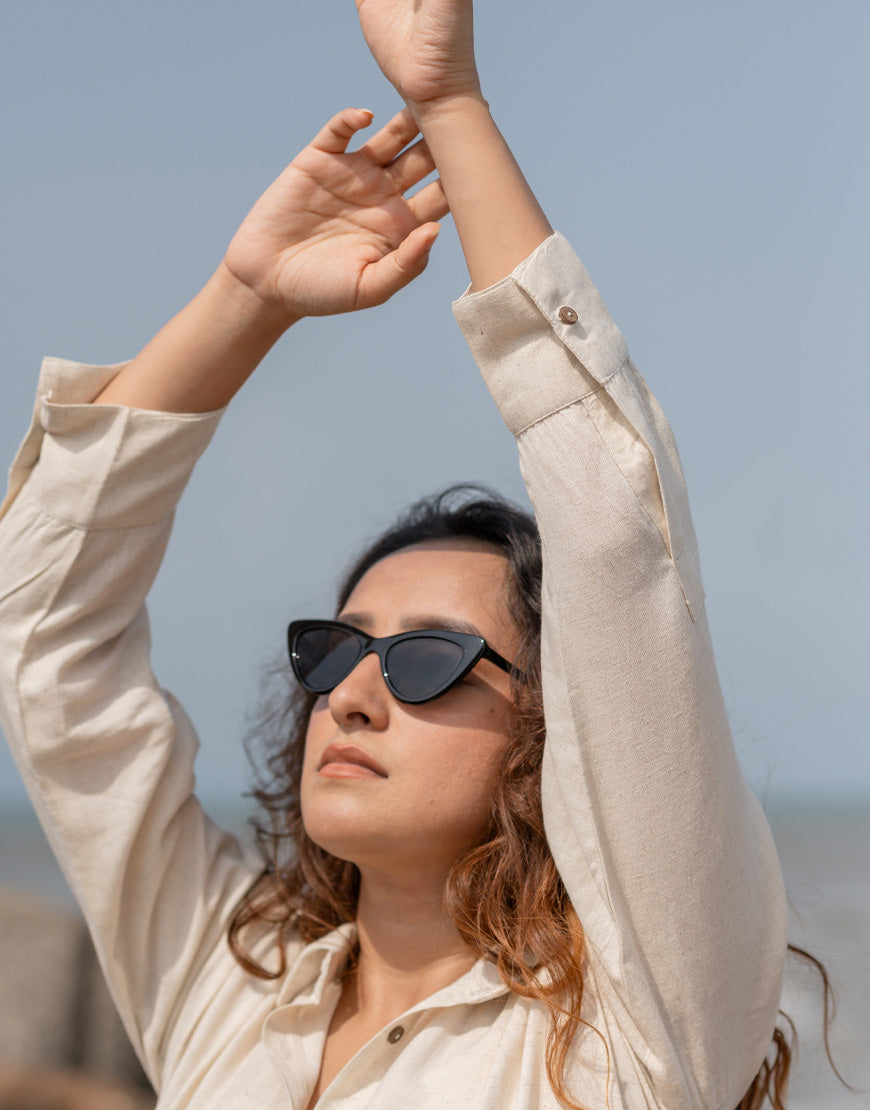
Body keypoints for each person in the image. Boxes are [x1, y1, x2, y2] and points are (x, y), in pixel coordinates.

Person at [0, 1, 791, 1107]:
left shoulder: (631, 1032)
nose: (354, 697)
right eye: (333, 652)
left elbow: (619, 542)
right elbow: (45, 635)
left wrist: (451, 104)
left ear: (554, 733)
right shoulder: (231, 1000)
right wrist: (248, 299)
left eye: (429, 658)